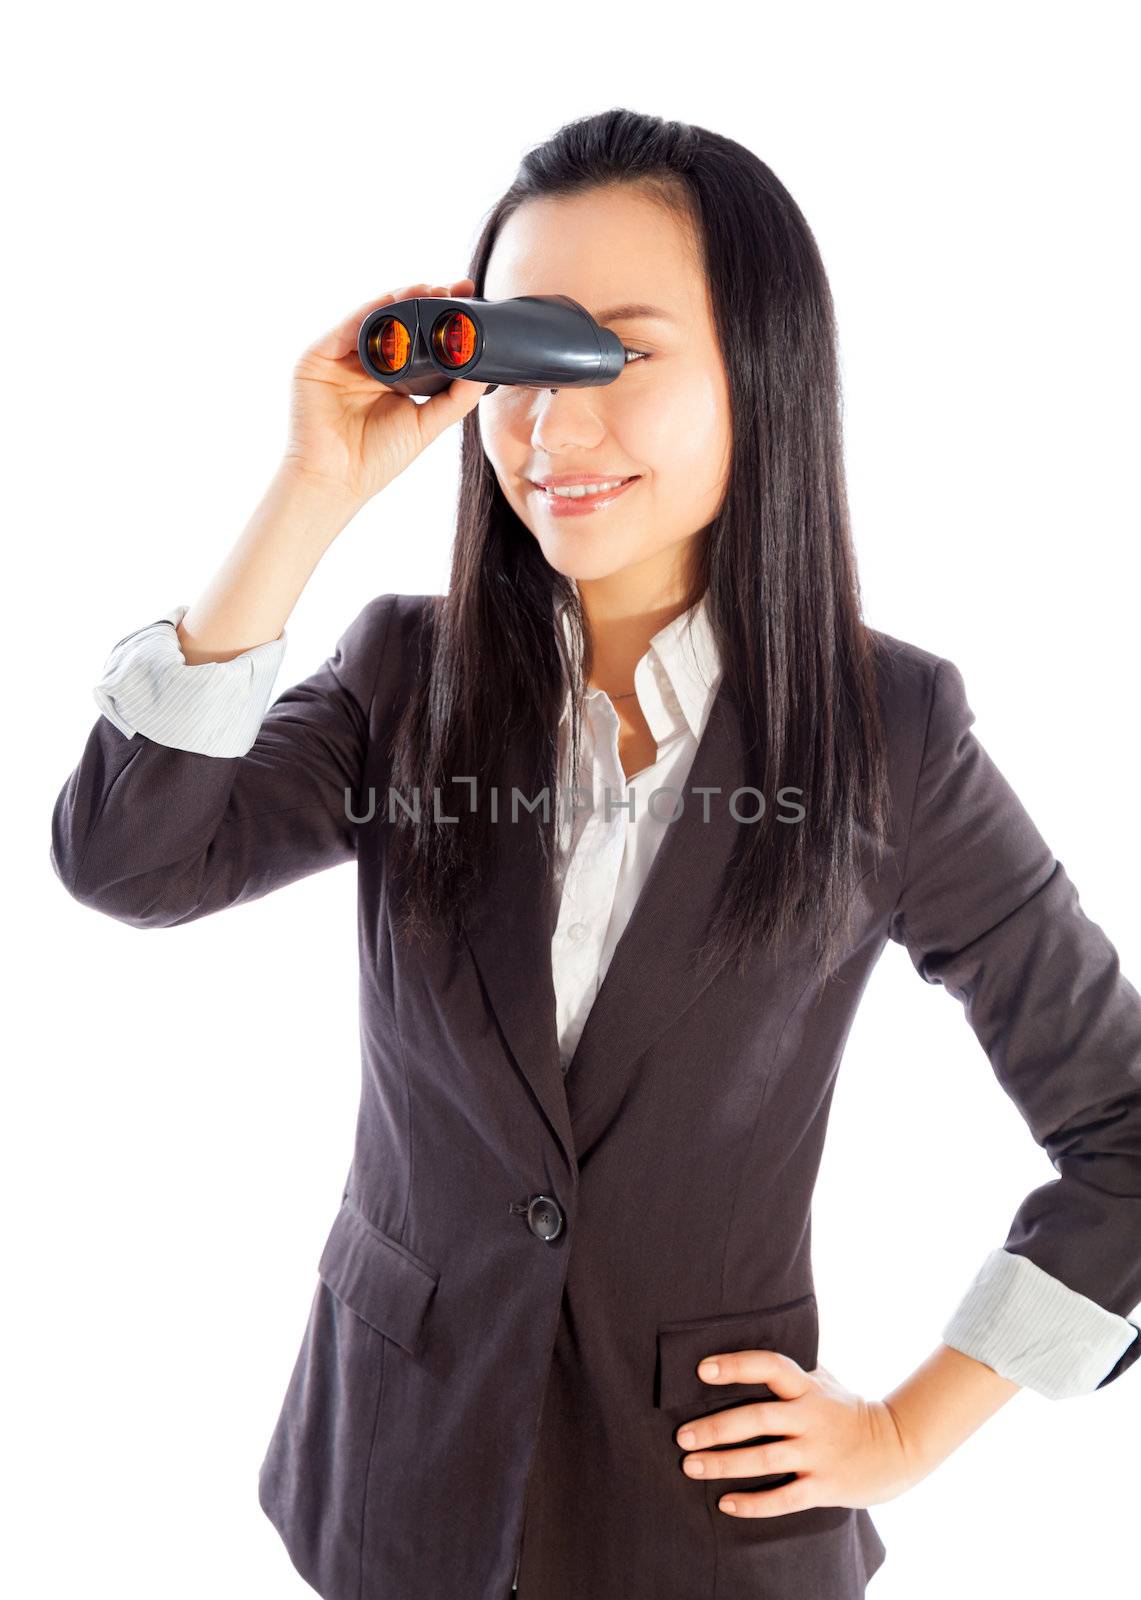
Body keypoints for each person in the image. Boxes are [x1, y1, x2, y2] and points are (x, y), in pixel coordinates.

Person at [50, 108, 1141, 1600]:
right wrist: (312, 491)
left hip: (699, 1527)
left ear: (762, 372)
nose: (548, 429)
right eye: (518, 362)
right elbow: (128, 859)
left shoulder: (887, 731)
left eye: (617, 354)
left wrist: (902, 1434)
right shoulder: (402, 676)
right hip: (392, 1487)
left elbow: (1128, 1131)